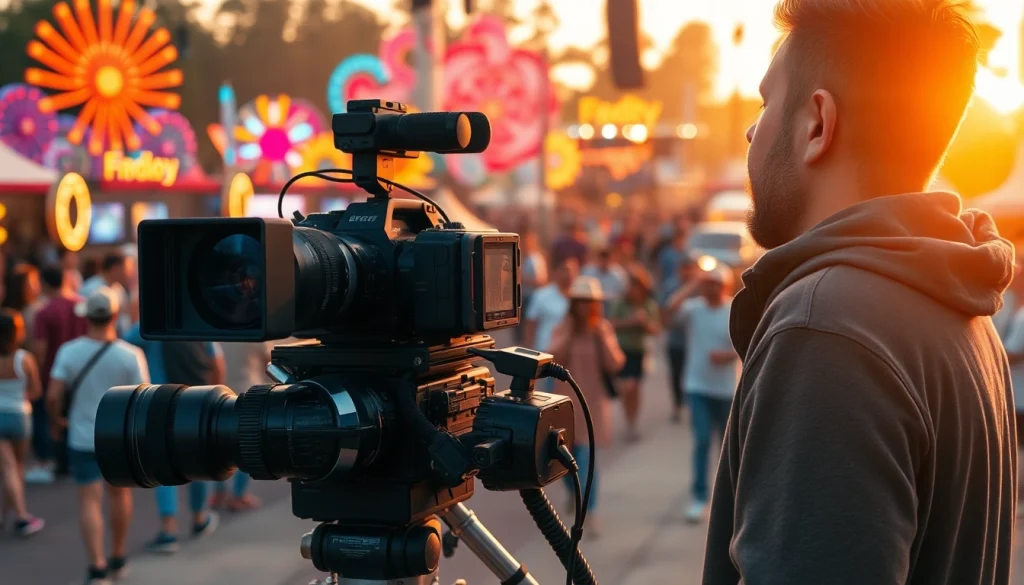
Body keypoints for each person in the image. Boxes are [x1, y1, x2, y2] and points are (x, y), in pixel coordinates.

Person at [703, 2, 1015, 584]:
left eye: (766, 104)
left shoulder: (826, 327)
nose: (751, 129)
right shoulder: (960, 303)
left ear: (818, 125)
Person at [47, 288, 149, 585]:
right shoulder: (131, 355)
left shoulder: (69, 351)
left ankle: (97, 566)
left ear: (87, 317)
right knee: (120, 495)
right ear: (114, 316)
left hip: (82, 435)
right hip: (118, 437)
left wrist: (57, 420)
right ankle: (118, 555)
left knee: (89, 500)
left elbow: (53, 395)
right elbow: (143, 398)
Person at [123, 323, 224, 553]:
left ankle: (168, 530)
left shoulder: (153, 326)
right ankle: (200, 518)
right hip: (197, 402)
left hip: (162, 403)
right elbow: (217, 362)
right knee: (199, 461)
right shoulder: (201, 325)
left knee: (163, 464)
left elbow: (125, 343)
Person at [548, 275, 624, 535]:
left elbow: (615, 363)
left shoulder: (601, 328)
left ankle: (590, 512)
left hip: (592, 403)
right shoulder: (564, 327)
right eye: (580, 301)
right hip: (566, 404)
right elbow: (551, 358)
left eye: (589, 302)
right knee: (563, 461)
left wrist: (601, 337)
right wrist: (570, 333)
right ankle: (574, 493)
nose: (584, 307)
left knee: (587, 460)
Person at [670, 267, 738, 523]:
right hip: (697, 386)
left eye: (714, 283)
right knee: (701, 441)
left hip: (726, 389)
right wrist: (692, 284)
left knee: (726, 448)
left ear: (724, 286)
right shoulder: (694, 308)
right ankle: (699, 498)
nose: (710, 287)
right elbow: (669, 310)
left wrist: (728, 356)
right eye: (707, 283)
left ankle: (728, 501)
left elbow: (748, 343)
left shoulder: (733, 309)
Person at [29, 266, 87, 483]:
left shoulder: (44, 312)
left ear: (44, 284)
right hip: (83, 371)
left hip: (53, 374)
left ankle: (58, 462)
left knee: (53, 418)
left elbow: (40, 349)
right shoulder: (82, 305)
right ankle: (77, 459)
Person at [210, 341, 273, 511]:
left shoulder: (217, 334)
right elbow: (268, 362)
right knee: (246, 446)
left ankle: (219, 493)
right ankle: (237, 496)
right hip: (248, 393)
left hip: (222, 394)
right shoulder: (256, 334)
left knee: (218, 443)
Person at [0, 309, 45, 536]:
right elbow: (36, 391)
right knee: (17, 468)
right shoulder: (25, 359)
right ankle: (20, 516)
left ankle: (14, 516)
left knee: (7, 469)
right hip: (20, 416)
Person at [607, 268, 659, 441]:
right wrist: (631, 321)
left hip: (639, 351)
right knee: (626, 387)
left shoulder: (648, 305)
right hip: (621, 350)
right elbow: (611, 324)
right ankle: (628, 416)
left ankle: (632, 420)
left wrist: (644, 323)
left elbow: (656, 330)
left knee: (634, 387)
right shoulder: (620, 304)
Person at [661, 255, 700, 423]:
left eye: (691, 268)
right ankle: (677, 405)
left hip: (696, 342)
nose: (688, 272)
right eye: (685, 268)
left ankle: (694, 406)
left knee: (694, 376)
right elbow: (665, 309)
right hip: (676, 340)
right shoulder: (671, 286)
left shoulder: (701, 287)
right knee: (676, 375)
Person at [522, 258, 579, 354]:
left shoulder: (581, 298)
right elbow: (530, 325)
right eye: (565, 270)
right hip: (544, 350)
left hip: (571, 354)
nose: (569, 274)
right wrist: (528, 352)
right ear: (556, 271)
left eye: (573, 271)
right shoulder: (541, 295)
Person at [80, 253, 131, 336]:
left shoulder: (119, 289)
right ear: (115, 268)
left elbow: (123, 317)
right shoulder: (90, 289)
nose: (128, 274)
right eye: (126, 269)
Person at [3, 263, 43, 343]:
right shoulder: (9, 314)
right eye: (32, 282)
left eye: (37, 281)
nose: (37, 285)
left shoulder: (40, 308)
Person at [581, 249, 628, 313]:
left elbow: (622, 293)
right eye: (602, 258)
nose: (604, 262)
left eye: (606, 259)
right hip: (591, 302)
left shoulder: (619, 274)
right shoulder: (588, 271)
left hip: (612, 305)